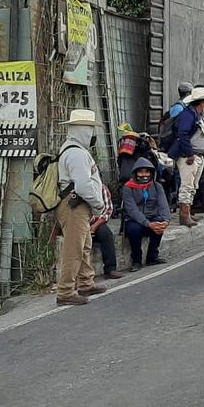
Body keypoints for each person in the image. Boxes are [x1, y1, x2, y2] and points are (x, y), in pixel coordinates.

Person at [55, 110, 110, 306]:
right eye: (90, 129)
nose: (92, 134)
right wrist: (99, 204)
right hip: (74, 206)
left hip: (77, 205)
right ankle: (65, 291)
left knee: (84, 245)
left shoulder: (74, 150)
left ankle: (86, 282)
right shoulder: (76, 153)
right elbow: (83, 185)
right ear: (82, 130)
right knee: (74, 250)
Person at [167, 86, 204, 228]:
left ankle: (187, 212)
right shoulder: (187, 116)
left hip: (198, 156)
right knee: (187, 185)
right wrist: (189, 153)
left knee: (193, 186)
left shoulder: (197, 115)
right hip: (189, 156)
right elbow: (183, 135)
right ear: (201, 103)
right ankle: (184, 215)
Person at [121, 158, 170, 272]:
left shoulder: (157, 186)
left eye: (147, 172)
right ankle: (136, 260)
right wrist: (148, 224)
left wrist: (166, 221)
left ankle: (153, 256)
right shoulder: (128, 187)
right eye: (141, 172)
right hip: (134, 220)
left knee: (160, 221)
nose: (144, 175)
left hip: (151, 218)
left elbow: (163, 205)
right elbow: (132, 210)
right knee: (134, 229)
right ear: (135, 173)